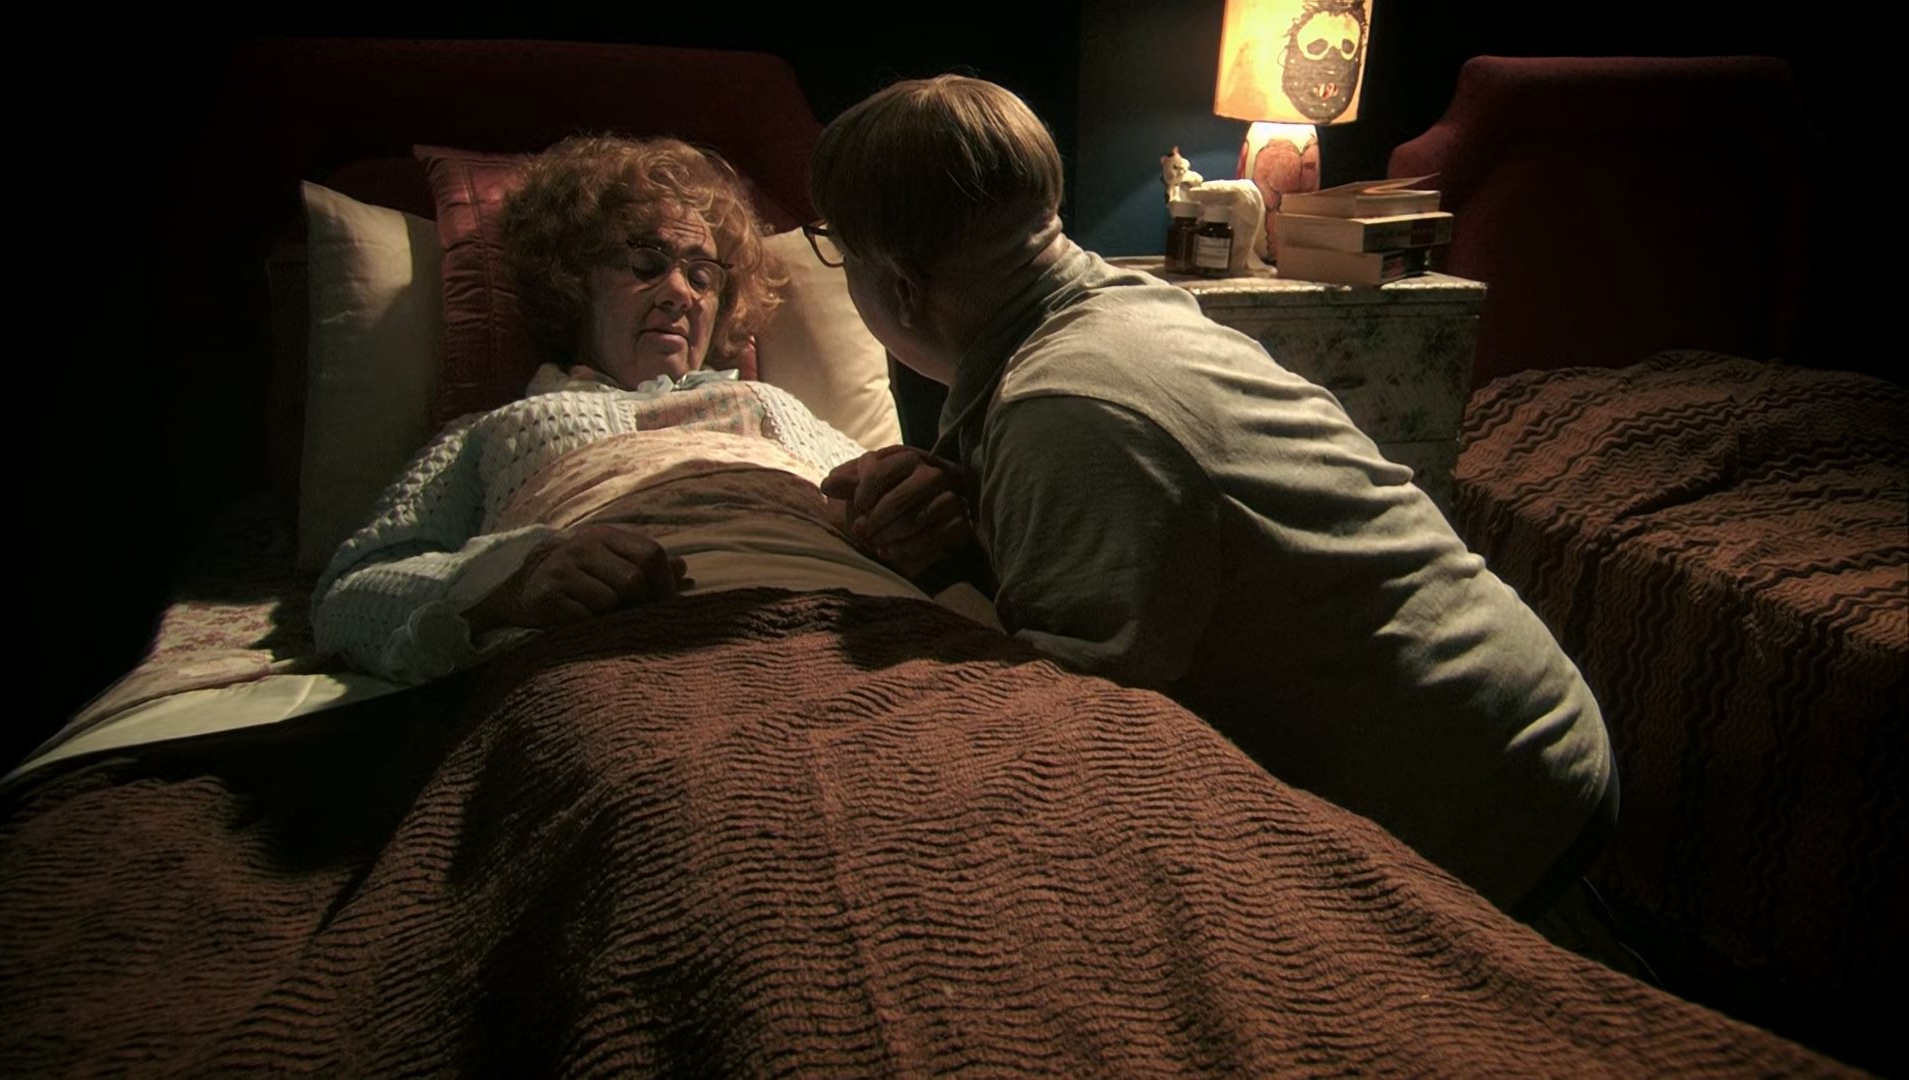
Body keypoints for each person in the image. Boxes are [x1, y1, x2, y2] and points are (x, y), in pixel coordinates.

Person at [810, 76, 1616, 915]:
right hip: (1502, 721)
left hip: (1494, 793)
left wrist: (940, 576)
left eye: (837, 251)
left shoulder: (1067, 412)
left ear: (900, 284)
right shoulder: (1119, 309)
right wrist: (964, 497)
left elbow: (1068, 731)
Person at [312, 135, 939, 684]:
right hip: (613, 657)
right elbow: (347, 600)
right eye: (646, 263)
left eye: (703, 276)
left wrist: (915, 509)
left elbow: (902, 517)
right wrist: (511, 584)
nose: (680, 292)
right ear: (571, 278)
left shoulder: (774, 409)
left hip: (856, 634)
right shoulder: (498, 431)